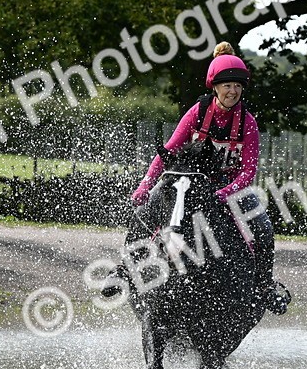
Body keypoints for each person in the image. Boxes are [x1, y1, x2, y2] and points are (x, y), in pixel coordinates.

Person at [112, 42, 290, 314]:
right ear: (215, 87)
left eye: (238, 86)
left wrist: (225, 193)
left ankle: (264, 286)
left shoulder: (248, 123)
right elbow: (167, 153)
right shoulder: (196, 113)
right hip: (188, 181)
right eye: (227, 86)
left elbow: (248, 171)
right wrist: (145, 186)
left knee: (262, 224)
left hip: (228, 187)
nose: (233, 91)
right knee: (147, 210)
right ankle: (125, 269)